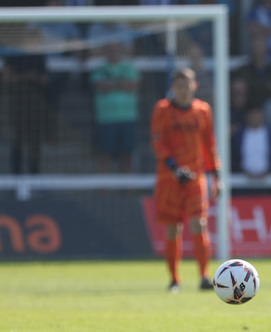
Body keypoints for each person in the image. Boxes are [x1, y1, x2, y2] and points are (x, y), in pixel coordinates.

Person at [150, 68, 222, 292]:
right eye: (179, 85)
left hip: (195, 177)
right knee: (173, 229)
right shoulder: (162, 109)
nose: (183, 89)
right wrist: (174, 167)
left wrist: (216, 175)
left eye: (187, 85)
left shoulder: (203, 111)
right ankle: (174, 280)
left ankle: (203, 276)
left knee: (199, 224)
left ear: (194, 86)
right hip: (169, 178)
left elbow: (209, 144)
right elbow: (158, 142)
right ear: (174, 87)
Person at [91, 42, 140, 173]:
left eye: (116, 49)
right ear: (105, 52)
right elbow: (101, 87)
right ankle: (103, 192)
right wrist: (121, 84)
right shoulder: (100, 69)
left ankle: (130, 191)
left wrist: (112, 84)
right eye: (110, 50)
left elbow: (132, 86)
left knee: (128, 156)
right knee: (105, 156)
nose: (113, 53)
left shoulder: (129, 68)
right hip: (106, 119)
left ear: (121, 51)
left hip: (127, 118)